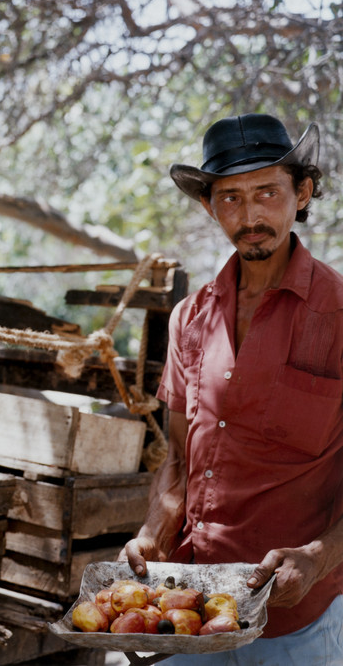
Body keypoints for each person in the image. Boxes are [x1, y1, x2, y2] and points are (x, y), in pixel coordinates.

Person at [121, 113, 343, 663]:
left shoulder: (338, 316)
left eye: (268, 191)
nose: (250, 216)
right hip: (191, 607)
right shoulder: (188, 319)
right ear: (208, 206)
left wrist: (318, 556)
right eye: (230, 198)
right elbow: (177, 454)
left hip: (297, 624)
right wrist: (156, 526)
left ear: (303, 191)